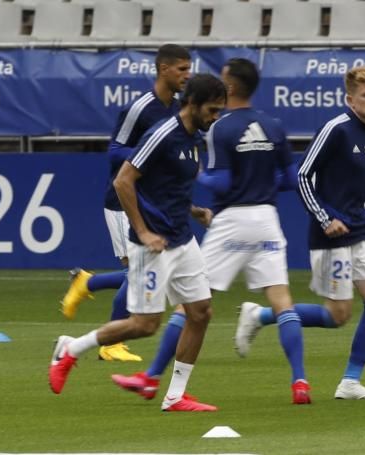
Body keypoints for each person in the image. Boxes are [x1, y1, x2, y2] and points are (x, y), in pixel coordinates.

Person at [111, 58, 314, 405]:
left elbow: (222, 182)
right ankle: (300, 382)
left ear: (230, 88)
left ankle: (152, 377)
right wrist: (263, 182)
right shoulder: (274, 125)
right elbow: (292, 178)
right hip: (267, 217)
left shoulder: (219, 128)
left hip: (232, 220)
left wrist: (199, 176)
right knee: (282, 300)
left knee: (190, 307)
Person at [235, 65, 365, 400]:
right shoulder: (335, 129)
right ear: (349, 98)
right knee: (338, 316)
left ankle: (350, 382)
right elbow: (303, 176)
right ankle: (262, 314)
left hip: (361, 231)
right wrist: (324, 219)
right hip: (331, 235)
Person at [49, 73, 227, 412]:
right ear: (193, 104)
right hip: (151, 244)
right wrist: (143, 232)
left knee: (200, 312)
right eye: (212, 110)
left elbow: (166, 188)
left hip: (181, 240)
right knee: (144, 325)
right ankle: (71, 349)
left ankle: (175, 396)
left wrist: (194, 212)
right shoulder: (161, 135)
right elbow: (123, 181)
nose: (215, 117)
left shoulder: (194, 138)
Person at [59, 44, 193, 363]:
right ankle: (110, 342)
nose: (187, 75)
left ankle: (88, 281)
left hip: (155, 200)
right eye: (182, 69)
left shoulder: (177, 109)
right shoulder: (141, 108)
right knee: (137, 270)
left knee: (146, 270)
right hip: (124, 198)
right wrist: (146, 156)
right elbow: (115, 151)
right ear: (164, 70)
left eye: (189, 69)